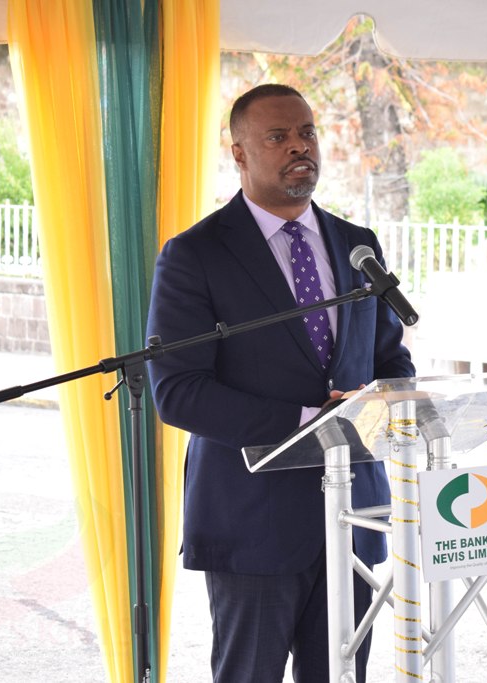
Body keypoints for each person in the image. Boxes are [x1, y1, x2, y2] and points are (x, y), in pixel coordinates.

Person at [146, 84, 414, 683]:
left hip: (355, 518)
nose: (299, 147)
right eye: (278, 137)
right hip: (252, 521)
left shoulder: (357, 246)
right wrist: (310, 425)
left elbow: (391, 361)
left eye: (307, 133)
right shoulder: (196, 255)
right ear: (239, 153)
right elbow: (179, 390)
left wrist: (379, 404)